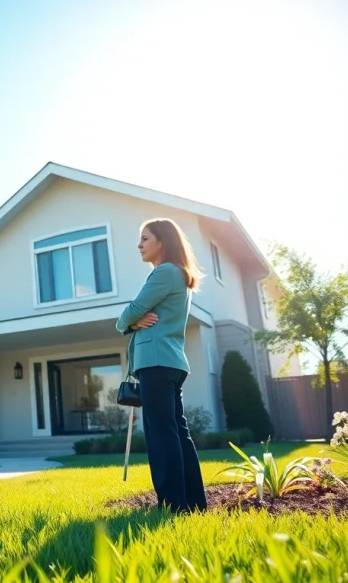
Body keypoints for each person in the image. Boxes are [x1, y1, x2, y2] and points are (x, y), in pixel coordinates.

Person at [115, 218, 207, 513]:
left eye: (145, 238)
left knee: (161, 435)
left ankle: (171, 506)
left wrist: (130, 321)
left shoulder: (165, 272)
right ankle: (192, 504)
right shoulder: (177, 274)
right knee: (176, 433)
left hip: (156, 362)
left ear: (162, 242)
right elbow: (137, 315)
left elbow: (129, 313)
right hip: (170, 362)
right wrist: (136, 320)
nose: (139, 245)